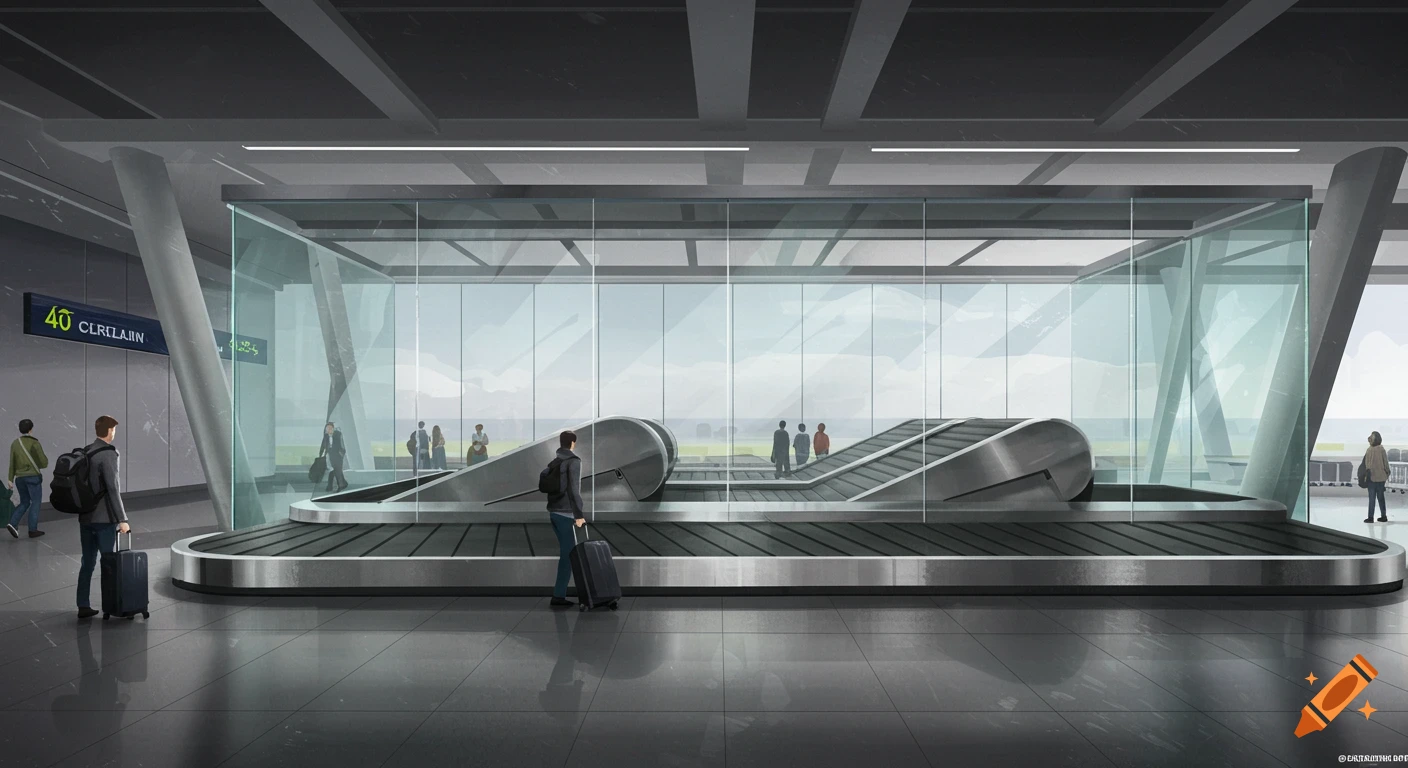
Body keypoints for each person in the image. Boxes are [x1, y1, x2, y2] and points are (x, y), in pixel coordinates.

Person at [77, 415, 129, 619]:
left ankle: (83, 605)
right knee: (109, 564)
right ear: (109, 431)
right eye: (114, 429)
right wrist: (122, 519)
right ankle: (113, 606)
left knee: (87, 563)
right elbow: (112, 488)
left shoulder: (87, 451)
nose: (114, 432)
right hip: (104, 519)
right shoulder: (108, 453)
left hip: (85, 518)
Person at [547, 429, 585, 608]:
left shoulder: (555, 461)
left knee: (567, 553)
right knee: (568, 555)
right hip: (565, 513)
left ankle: (561, 594)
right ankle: (559, 596)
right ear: (572, 443)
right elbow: (574, 490)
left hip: (553, 512)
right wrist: (579, 515)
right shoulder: (573, 461)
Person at [7, 418, 48, 539]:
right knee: (35, 502)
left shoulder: (15, 443)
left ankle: (13, 523)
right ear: (31, 429)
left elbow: (12, 462)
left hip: (19, 478)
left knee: (24, 502)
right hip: (33, 478)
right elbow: (43, 463)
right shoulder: (34, 443)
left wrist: (10, 478)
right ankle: (33, 530)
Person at [1364, 430, 1390, 523]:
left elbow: (1367, 465)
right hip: (1381, 477)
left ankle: (1370, 517)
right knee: (1381, 498)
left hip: (1371, 478)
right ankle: (1384, 516)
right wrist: (1387, 473)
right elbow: (1386, 463)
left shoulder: (1369, 449)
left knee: (1372, 499)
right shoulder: (1381, 449)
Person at [319, 422, 348, 492]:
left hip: (338, 455)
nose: (329, 430)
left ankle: (339, 486)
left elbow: (342, 444)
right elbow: (322, 446)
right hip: (331, 456)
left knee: (337, 471)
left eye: (330, 428)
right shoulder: (326, 436)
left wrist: (342, 454)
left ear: (333, 428)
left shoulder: (338, 434)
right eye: (327, 428)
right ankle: (343, 484)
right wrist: (320, 455)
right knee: (337, 470)